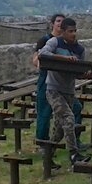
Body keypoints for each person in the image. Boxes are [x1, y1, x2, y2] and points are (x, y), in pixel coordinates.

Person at [38, 17, 92, 166]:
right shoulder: (55, 42)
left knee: (59, 130)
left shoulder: (79, 49)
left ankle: (48, 159)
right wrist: (63, 58)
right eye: (70, 31)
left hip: (68, 91)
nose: (73, 34)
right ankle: (74, 154)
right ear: (62, 32)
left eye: (75, 31)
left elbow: (78, 70)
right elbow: (43, 54)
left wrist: (85, 74)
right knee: (68, 118)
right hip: (54, 90)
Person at [33, 13, 66, 144]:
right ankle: (42, 142)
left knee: (75, 108)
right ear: (52, 24)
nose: (60, 24)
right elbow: (35, 59)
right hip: (46, 78)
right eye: (58, 21)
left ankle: (73, 139)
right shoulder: (44, 40)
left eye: (62, 22)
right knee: (44, 112)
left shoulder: (65, 42)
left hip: (62, 81)